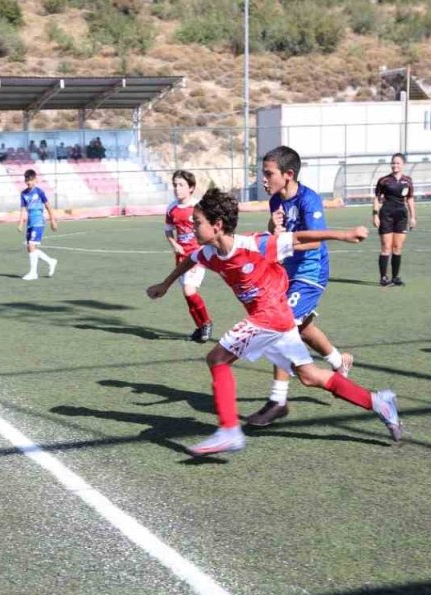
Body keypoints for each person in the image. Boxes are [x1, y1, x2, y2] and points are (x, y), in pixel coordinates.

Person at [146, 188, 402, 456]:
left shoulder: (255, 244)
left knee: (217, 359)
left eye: (197, 222)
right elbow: (190, 259)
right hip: (278, 322)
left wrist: (345, 234)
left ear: (218, 226)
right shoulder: (209, 253)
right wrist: (165, 284)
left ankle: (229, 431)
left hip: (269, 317)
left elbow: (301, 236)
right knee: (310, 376)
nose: (192, 227)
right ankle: (378, 402)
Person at [247, 146, 354, 427]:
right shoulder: (275, 202)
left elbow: (316, 241)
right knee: (303, 327)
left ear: (288, 174)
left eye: (269, 174)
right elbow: (278, 237)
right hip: (286, 273)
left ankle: (278, 400)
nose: (264, 179)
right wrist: (273, 228)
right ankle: (337, 361)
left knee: (281, 326)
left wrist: (285, 237)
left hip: (310, 273)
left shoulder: (309, 200)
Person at [163, 170, 212, 343]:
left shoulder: (198, 207)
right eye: (175, 185)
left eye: (181, 185)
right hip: (181, 258)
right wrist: (174, 244)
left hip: (198, 255)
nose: (177, 188)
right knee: (187, 295)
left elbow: (208, 228)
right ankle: (200, 327)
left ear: (191, 188)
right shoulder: (172, 208)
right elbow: (168, 230)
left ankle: (206, 324)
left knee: (189, 290)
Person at [373, 152, 416, 286]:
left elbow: (410, 198)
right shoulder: (384, 180)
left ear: (403, 165)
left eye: (397, 163)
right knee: (386, 247)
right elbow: (377, 198)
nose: (395, 165)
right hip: (386, 214)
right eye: (393, 163)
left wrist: (413, 217)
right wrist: (375, 214)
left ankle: (395, 277)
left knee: (397, 247)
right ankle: (383, 278)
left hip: (401, 215)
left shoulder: (407, 181)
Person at [17, 169, 58, 280]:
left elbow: (48, 207)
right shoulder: (23, 194)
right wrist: (20, 223)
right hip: (30, 223)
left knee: (31, 245)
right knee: (31, 248)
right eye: (26, 180)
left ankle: (33, 273)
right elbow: (22, 210)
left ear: (35, 180)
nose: (28, 182)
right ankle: (51, 261)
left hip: (39, 221)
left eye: (30, 180)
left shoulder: (39, 192)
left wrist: (53, 221)